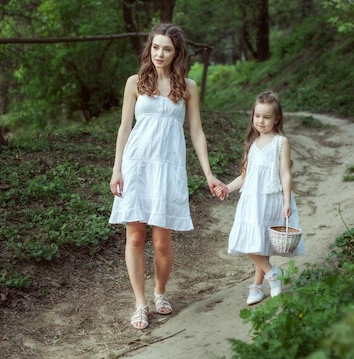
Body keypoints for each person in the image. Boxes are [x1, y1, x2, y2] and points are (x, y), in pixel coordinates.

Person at [109, 23, 228, 330]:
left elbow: (197, 131)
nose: (159, 54)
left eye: (167, 49)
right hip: (136, 166)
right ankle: (140, 303)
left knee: (162, 243)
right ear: (149, 49)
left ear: (177, 53)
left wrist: (209, 174)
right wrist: (117, 168)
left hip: (168, 168)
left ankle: (160, 292)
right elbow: (124, 128)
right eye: (156, 47)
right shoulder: (135, 82)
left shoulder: (187, 86)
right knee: (134, 237)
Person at [215, 91, 304, 305]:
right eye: (257, 116)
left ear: (276, 119)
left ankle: (259, 283)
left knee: (259, 243)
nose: (261, 121)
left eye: (266, 117)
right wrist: (227, 187)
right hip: (251, 200)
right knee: (250, 242)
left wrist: (286, 201)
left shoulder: (280, 142)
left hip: (271, 198)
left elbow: (284, 173)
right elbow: (245, 177)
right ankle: (271, 275)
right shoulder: (253, 145)